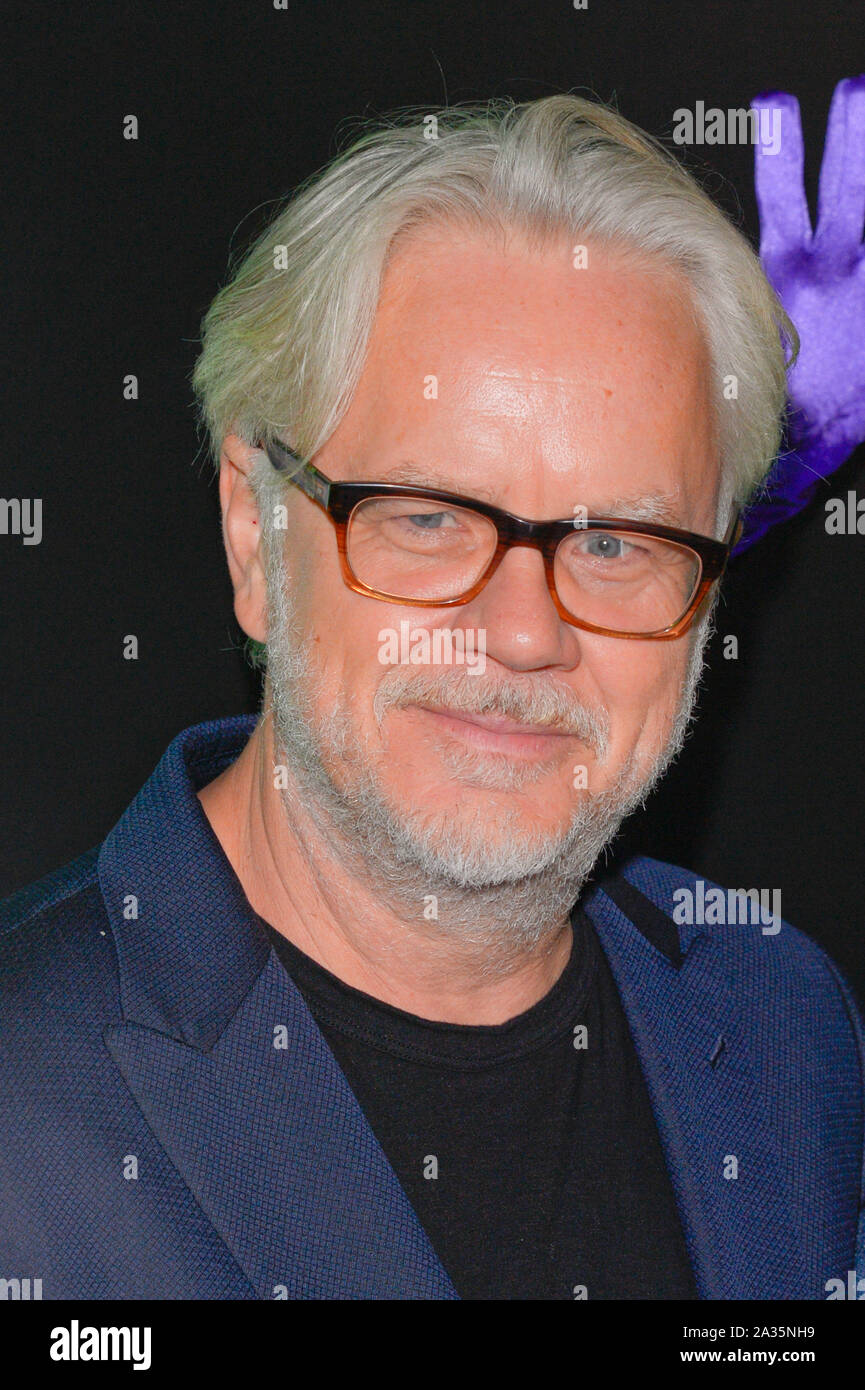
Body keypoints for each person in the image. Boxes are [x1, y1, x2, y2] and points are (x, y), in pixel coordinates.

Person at [1, 94, 862, 1301]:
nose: (524, 632)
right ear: (255, 531)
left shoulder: (785, 1023)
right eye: (427, 518)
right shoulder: (25, 1103)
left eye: (614, 541)